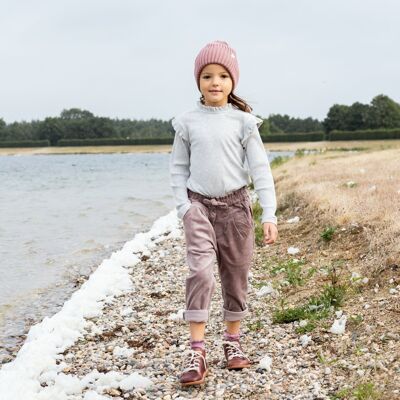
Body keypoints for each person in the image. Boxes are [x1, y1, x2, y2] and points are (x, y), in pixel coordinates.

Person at [169, 40, 278, 387]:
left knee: (236, 277)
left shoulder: (244, 122)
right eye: (206, 76)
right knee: (200, 272)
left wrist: (269, 214)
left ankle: (232, 343)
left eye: (222, 76)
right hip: (198, 207)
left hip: (235, 210)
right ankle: (197, 351)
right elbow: (177, 170)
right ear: (197, 82)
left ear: (233, 81)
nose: (214, 82)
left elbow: (260, 170)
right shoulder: (187, 123)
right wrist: (184, 208)